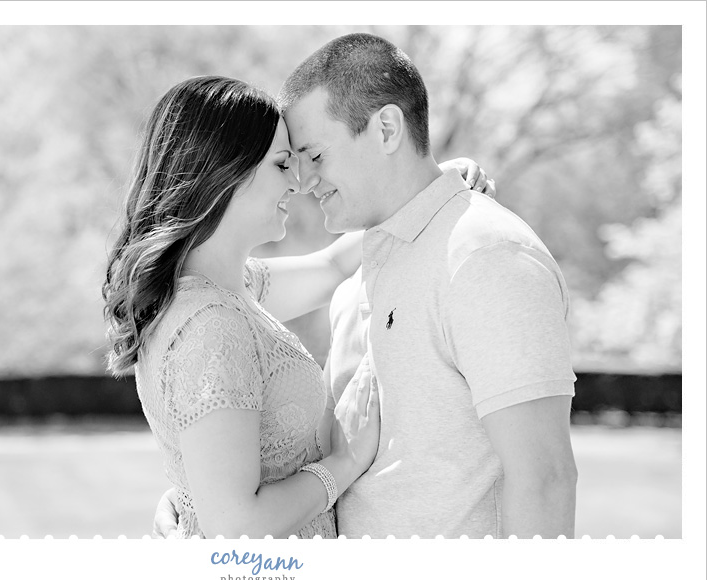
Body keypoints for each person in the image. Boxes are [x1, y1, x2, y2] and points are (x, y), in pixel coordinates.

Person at [103, 75, 494, 539]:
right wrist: (342, 465)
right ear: (227, 171)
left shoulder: (232, 289)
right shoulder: (211, 325)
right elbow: (235, 526)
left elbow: (331, 267)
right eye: (282, 164)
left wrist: (429, 182)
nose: (299, 182)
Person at [279, 33, 578, 539]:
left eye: (315, 155)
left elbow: (545, 479)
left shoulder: (485, 256)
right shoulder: (361, 273)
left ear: (387, 128)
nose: (305, 181)